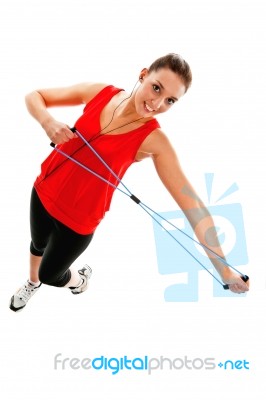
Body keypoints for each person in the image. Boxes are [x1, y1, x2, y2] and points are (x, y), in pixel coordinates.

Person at [9, 53, 249, 312]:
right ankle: (31, 283)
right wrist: (48, 121)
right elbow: (34, 96)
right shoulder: (101, 92)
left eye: (170, 100)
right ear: (143, 74)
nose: (157, 103)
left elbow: (194, 206)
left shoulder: (155, 141)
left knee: (51, 275)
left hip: (78, 220)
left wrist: (225, 271)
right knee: (37, 245)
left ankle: (78, 280)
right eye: (156, 87)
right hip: (44, 188)